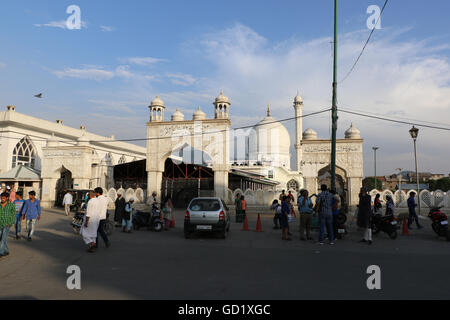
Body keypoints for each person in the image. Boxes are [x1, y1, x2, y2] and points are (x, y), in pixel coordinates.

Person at [0, 192, 16, 257]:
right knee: (1, 238)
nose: (2, 199)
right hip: (0, 224)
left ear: (7, 198)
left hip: (7, 224)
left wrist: (10, 223)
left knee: (3, 239)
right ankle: (6, 250)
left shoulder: (11, 205)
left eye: (3, 198)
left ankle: (1, 252)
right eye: (1, 198)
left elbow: (13, 215)